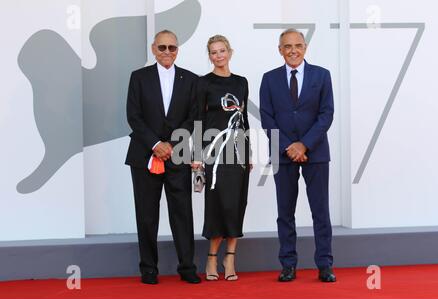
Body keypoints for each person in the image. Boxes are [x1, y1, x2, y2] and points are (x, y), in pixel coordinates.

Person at [259, 29, 336, 282]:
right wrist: (288, 147)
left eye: (298, 45)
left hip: (316, 153)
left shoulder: (321, 75)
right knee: (285, 212)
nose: (293, 50)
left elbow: (326, 114)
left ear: (305, 47)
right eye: (287, 46)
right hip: (283, 154)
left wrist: (304, 145)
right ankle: (288, 265)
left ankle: (325, 265)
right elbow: (267, 118)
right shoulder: (269, 79)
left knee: (320, 211)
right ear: (279, 49)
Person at [125, 30, 201, 285]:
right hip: (144, 157)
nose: (167, 52)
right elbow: (133, 116)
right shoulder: (139, 77)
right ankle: (148, 268)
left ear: (177, 49)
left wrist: (172, 144)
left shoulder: (191, 79)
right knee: (146, 214)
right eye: (162, 48)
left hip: (178, 155)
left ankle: (187, 267)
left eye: (172, 47)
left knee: (182, 212)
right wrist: (156, 144)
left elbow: (194, 117)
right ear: (153, 49)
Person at [192, 35, 251, 281]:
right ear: (209, 56)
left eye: (222, 50)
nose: (218, 55)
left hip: (238, 153)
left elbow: (244, 118)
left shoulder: (241, 82)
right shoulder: (203, 83)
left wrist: (248, 154)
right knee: (217, 205)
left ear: (230, 52)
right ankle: (211, 259)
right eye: (214, 52)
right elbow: (197, 120)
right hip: (214, 153)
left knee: (236, 204)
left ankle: (230, 259)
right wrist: (196, 155)